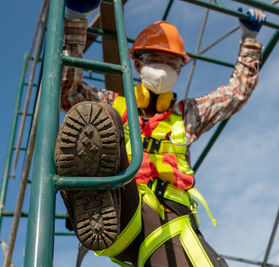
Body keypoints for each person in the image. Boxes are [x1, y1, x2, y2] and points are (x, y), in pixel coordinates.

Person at [55, 0, 266, 266]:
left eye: (171, 62)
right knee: (98, 118)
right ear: (137, 63)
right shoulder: (115, 103)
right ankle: (93, 192)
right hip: (124, 204)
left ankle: (94, 196)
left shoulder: (187, 114)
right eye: (155, 59)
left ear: (180, 68)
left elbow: (235, 94)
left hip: (173, 218)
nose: (164, 67)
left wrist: (249, 39)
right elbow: (69, 91)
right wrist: (75, 19)